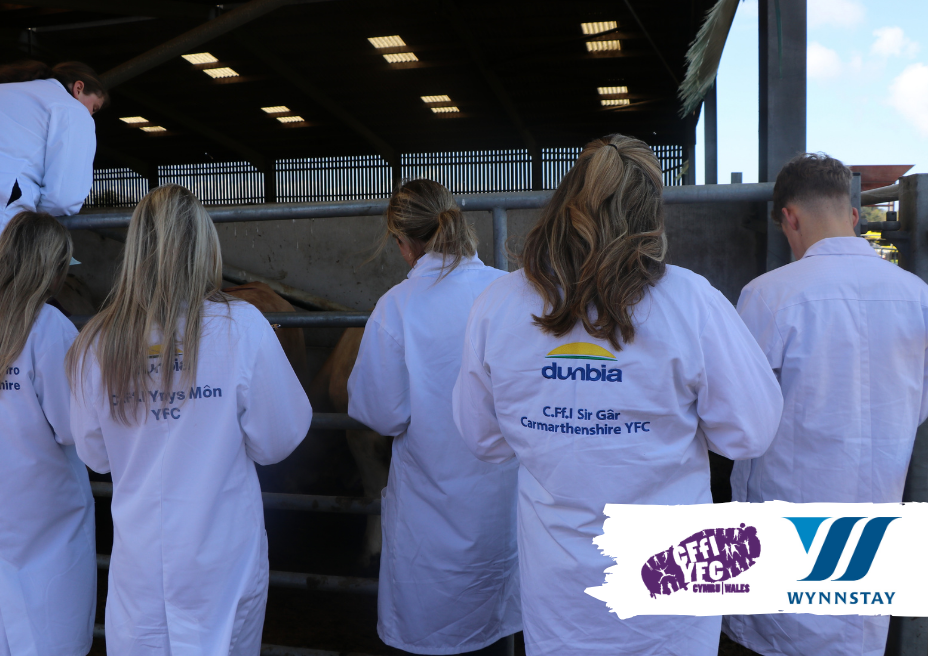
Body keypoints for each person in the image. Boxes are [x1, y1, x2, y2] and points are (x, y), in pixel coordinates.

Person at [451, 135, 783, 656]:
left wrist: (557, 432)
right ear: (649, 215)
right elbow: (749, 432)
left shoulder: (498, 304)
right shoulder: (690, 300)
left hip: (561, 596)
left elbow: (482, 439)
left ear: (564, 204)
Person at [67, 184, 312, 656]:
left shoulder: (96, 342)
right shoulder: (241, 328)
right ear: (203, 246)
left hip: (141, 565)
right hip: (222, 561)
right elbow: (277, 440)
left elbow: (95, 455)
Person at [723, 154, 928, 656]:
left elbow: (738, 415)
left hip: (785, 517)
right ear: (854, 215)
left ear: (788, 218)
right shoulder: (917, 295)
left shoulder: (769, 295)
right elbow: (920, 404)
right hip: (873, 525)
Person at [347, 179, 521, 655]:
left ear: (403, 243)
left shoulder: (397, 307)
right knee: (498, 630)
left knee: (434, 631)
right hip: (501, 508)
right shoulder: (507, 292)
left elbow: (381, 413)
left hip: (431, 518)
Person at [0, 211, 95, 656]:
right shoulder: (49, 327)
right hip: (46, 518)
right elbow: (72, 426)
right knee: (51, 634)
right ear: (53, 269)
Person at [0, 60, 107, 234]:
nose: (91, 115)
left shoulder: (6, 90)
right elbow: (63, 198)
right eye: (94, 108)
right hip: (6, 216)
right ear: (78, 88)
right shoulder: (72, 109)